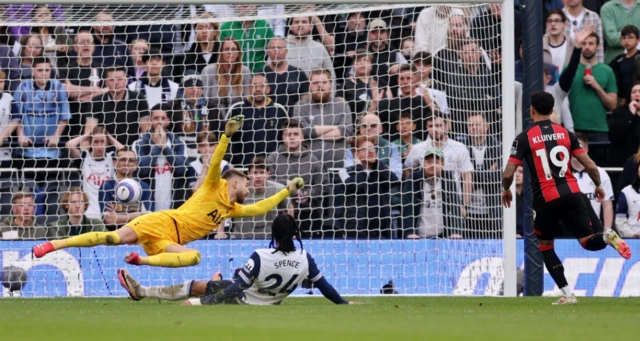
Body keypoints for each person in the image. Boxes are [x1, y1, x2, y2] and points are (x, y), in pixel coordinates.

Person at [33, 115, 305, 269]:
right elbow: (213, 164)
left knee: (193, 257)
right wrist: (226, 136)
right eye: (246, 183)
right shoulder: (213, 186)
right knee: (111, 238)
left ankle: (142, 260)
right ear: (235, 182)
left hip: (168, 241)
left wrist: (287, 191)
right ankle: (52, 246)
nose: (250, 188)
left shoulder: (231, 208)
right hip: (162, 221)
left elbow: (261, 208)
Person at [501, 91, 631, 305]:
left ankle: (568, 294)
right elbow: (589, 164)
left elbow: (508, 173)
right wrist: (598, 186)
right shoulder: (566, 134)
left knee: (545, 246)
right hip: (572, 193)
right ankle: (607, 237)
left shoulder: (524, 137)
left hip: (545, 200)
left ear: (531, 110)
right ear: (552, 111)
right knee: (589, 242)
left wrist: (506, 189)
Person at [117, 214, 359, 306]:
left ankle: (143, 292)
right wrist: (344, 303)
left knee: (197, 287)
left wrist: (201, 304)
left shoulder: (262, 255)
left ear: (273, 234)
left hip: (244, 300)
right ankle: (215, 279)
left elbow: (236, 289)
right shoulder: (306, 258)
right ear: (295, 234)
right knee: (231, 278)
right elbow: (324, 286)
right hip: (271, 302)